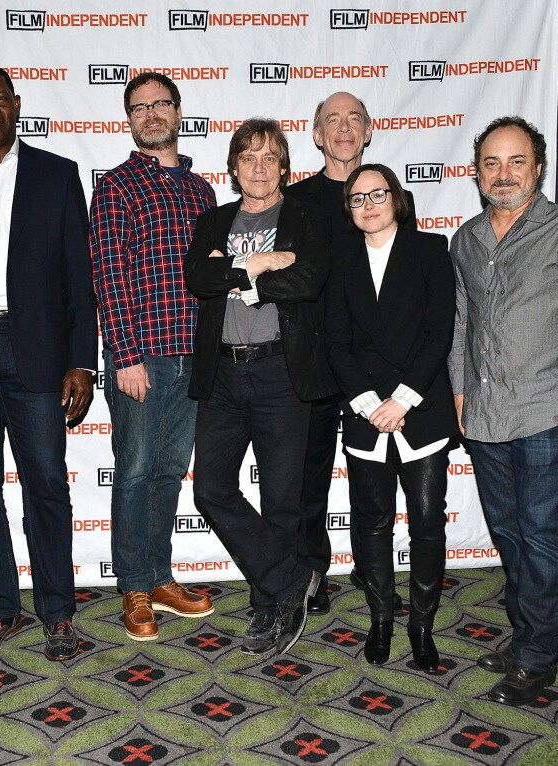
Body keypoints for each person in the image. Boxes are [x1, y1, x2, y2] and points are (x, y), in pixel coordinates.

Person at [449, 116, 558, 705]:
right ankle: (529, 632)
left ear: (538, 168)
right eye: (491, 164)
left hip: (550, 412)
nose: (503, 174)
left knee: (545, 537)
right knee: (509, 533)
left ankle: (537, 657)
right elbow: (462, 323)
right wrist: (459, 390)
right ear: (477, 173)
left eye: (515, 161)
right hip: (488, 415)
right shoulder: (466, 239)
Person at [0, 63, 97, 662]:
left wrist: (82, 361)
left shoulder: (57, 175)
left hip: (36, 350)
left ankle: (58, 614)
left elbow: (80, 280)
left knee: (47, 486)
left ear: (16, 103)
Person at [186, 119, 331, 655]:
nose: (260, 167)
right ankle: (292, 579)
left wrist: (241, 269)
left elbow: (309, 279)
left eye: (270, 158)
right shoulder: (214, 219)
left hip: (279, 373)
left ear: (285, 168)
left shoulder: (307, 218)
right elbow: (197, 277)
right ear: (233, 168)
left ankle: (271, 605)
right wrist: (263, 265)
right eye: (248, 157)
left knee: (281, 499)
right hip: (222, 373)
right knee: (210, 489)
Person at [91, 72, 217, 641]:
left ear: (177, 109)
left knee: (169, 472)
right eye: (138, 108)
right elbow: (109, 275)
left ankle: (161, 576)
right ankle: (135, 587)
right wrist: (125, 355)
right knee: (136, 471)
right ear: (129, 119)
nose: (151, 115)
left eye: (159, 104)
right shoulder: (116, 186)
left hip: (194, 354)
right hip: (143, 357)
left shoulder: (203, 191)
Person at [326, 164, 457, 672]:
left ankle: (420, 626)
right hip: (364, 416)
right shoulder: (340, 262)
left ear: (396, 198)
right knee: (372, 523)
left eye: (377, 194)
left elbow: (438, 331)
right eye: (357, 199)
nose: (368, 205)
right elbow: (337, 343)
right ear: (349, 211)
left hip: (419, 413)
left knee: (426, 523)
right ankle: (381, 617)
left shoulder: (431, 249)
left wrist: (401, 400)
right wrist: (367, 402)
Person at [287, 92, 413, 614]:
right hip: (315, 365)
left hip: (377, 369)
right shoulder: (294, 201)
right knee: (308, 478)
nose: (343, 128)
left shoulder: (390, 197)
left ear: (369, 130)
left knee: (373, 479)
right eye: (331, 121)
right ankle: (311, 573)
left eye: (353, 118)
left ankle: (373, 566)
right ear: (316, 136)